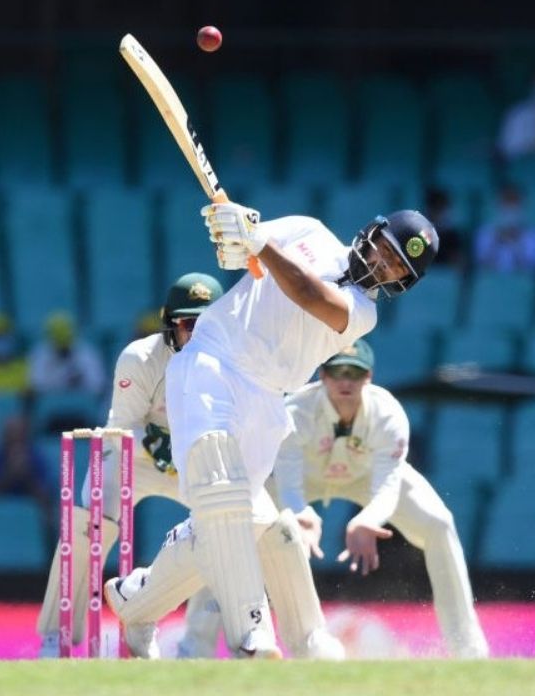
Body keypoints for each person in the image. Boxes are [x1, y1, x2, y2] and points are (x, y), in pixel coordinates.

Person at [105, 200, 439, 660]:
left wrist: (259, 241)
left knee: (246, 522)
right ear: (371, 233)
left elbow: (308, 293)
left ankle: (135, 601)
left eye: (396, 265)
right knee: (221, 496)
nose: (382, 263)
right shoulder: (308, 231)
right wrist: (234, 228)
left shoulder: (363, 312)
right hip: (214, 360)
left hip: (266, 398)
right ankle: (252, 632)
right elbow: (237, 254)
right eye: (385, 249)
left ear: (401, 281)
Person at [34, 273, 342, 660]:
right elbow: (122, 426)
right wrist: (159, 446)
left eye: (205, 323)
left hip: (205, 463)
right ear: (169, 326)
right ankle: (55, 634)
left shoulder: (238, 358)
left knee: (258, 528)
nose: (196, 334)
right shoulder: (140, 358)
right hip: (141, 460)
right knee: (88, 525)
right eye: (186, 324)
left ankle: (193, 633)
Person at [264, 340, 487, 657]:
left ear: (368, 377)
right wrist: (300, 514)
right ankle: (227, 639)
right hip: (305, 477)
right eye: (337, 372)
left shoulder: (388, 414)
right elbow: (287, 482)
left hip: (366, 476)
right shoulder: (295, 413)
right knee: (235, 525)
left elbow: (387, 486)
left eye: (353, 374)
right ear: (322, 376)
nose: (345, 382)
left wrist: (367, 519)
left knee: (439, 524)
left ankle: (469, 650)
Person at [29, 311, 107, 397]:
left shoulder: (86, 352)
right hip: (51, 404)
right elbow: (36, 385)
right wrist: (63, 381)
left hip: (81, 402)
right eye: (58, 346)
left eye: (65, 345)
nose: (62, 349)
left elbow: (98, 384)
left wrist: (79, 382)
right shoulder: (41, 354)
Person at [474, 183, 535, 273]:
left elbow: (530, 271)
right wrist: (496, 242)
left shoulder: (534, 235)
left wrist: (516, 243)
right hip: (491, 284)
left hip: (522, 285)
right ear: (497, 204)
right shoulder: (484, 233)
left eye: (514, 201)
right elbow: (482, 268)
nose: (510, 207)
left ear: (523, 204)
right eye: (505, 201)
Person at [424, 185, 467, 269]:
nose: (438, 213)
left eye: (441, 208)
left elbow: (458, 263)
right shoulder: (418, 232)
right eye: (435, 208)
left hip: (446, 278)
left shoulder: (453, 235)